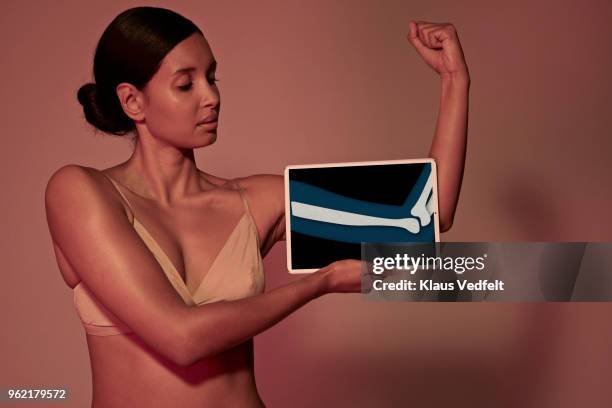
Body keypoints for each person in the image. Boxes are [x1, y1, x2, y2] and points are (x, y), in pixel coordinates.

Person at [44, 6, 469, 407]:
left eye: (212, 78)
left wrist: (454, 82)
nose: (211, 97)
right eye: (186, 83)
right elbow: (181, 338)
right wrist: (320, 283)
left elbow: (425, 216)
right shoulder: (81, 192)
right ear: (132, 101)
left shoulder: (252, 200)